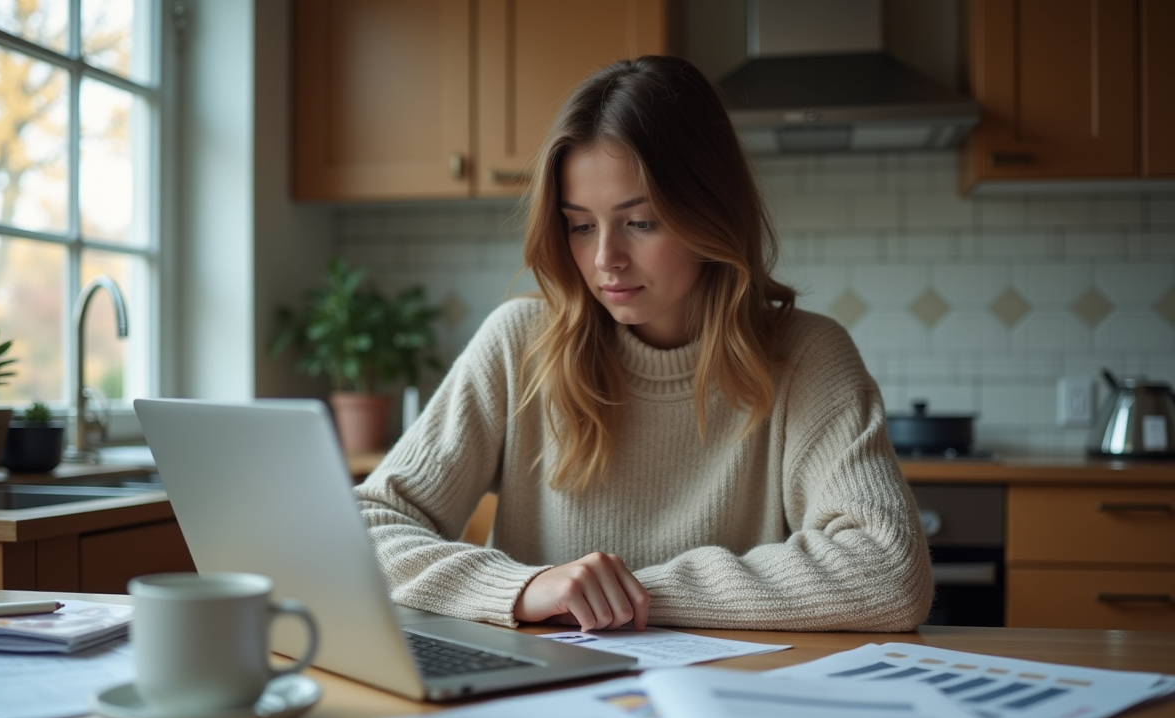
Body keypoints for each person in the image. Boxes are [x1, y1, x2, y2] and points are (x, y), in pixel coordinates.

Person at [356, 55, 932, 633]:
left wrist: (615, 597)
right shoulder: (519, 342)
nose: (605, 259)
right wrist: (524, 587)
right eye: (581, 225)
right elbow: (366, 524)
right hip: (546, 702)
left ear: (711, 212)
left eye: (642, 221)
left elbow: (889, 572)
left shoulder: (806, 356)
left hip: (732, 698)